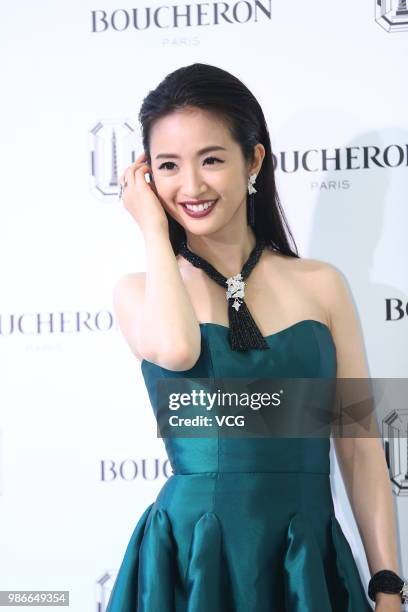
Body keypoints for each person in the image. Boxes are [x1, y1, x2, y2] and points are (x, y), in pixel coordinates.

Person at [106, 63, 405, 611]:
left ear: (255, 160)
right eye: (168, 166)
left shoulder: (322, 285)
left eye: (212, 159)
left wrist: (387, 582)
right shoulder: (137, 291)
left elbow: (360, 444)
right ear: (146, 178)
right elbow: (177, 349)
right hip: (192, 559)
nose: (190, 186)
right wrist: (152, 228)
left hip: (303, 558)